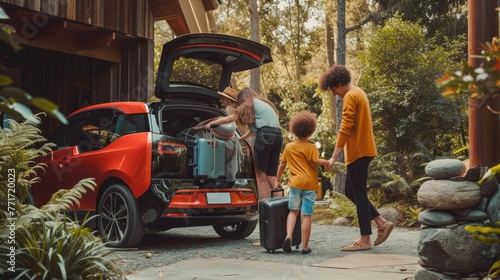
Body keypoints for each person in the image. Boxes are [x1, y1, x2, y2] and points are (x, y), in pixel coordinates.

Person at [319, 65, 394, 251]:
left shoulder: (351, 96)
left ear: (339, 83)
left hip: (359, 151)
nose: (335, 94)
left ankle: (364, 239)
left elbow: (345, 128)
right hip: (363, 151)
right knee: (351, 191)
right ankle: (381, 222)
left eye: (334, 90)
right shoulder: (359, 92)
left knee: (358, 194)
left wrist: (333, 157)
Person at [204, 87, 283, 200]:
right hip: (278, 136)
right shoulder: (260, 103)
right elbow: (253, 130)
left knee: (261, 177)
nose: (221, 100)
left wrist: (212, 123)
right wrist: (241, 139)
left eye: (223, 97)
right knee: (271, 177)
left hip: (265, 135)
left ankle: (264, 210)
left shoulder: (247, 104)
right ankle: (279, 209)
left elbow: (230, 119)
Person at [275, 110, 331, 255]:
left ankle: (289, 236)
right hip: (310, 185)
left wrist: (277, 181)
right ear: (311, 131)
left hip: (295, 184)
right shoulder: (312, 147)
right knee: (306, 214)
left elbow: (282, 165)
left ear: (294, 130)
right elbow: (316, 161)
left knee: (293, 212)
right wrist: (327, 162)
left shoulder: (289, 147)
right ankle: (305, 247)